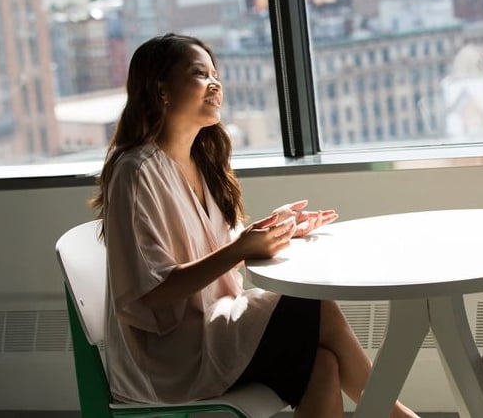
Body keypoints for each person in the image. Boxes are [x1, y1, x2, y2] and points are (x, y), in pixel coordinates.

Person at [90, 33, 418, 418]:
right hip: (169, 357)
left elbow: (217, 252)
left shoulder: (202, 163)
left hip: (214, 328)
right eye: (199, 74)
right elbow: (149, 294)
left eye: (216, 74)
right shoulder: (136, 171)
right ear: (160, 89)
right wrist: (241, 249)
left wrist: (275, 231)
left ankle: (388, 410)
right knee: (315, 308)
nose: (216, 84)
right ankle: (392, 412)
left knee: (323, 364)